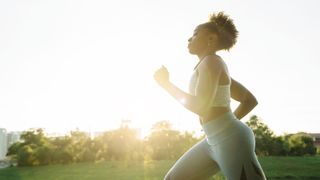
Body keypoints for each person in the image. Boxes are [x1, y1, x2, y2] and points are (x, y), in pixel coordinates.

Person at [153, 12, 267, 180]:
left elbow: (200, 106)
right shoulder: (212, 65)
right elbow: (249, 100)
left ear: (211, 39)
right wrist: (223, 124)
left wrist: (166, 84)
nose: (189, 39)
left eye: (195, 34)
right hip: (213, 138)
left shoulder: (212, 62)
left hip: (230, 139)